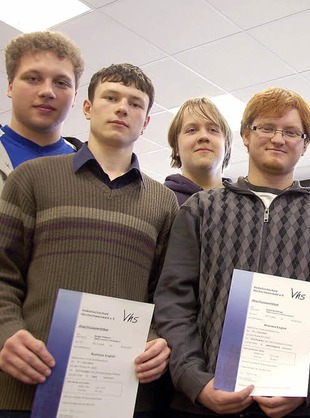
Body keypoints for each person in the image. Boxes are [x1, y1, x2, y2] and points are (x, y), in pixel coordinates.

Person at [154, 87, 310, 417]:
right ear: (245, 135)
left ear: (305, 144)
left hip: (303, 408)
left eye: (291, 132)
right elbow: (174, 301)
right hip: (203, 405)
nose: (278, 139)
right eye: (266, 127)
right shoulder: (201, 209)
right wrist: (196, 382)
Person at [0, 63, 179, 417]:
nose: (122, 108)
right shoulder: (31, 178)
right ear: (87, 107)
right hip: (27, 391)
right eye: (111, 97)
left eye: (135, 103)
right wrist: (6, 331)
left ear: (145, 122)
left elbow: (166, 293)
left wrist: (159, 338)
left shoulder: (163, 202)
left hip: (124, 394)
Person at [1, 30, 85, 193]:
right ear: (10, 87)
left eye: (61, 83)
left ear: (74, 97)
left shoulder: (93, 171)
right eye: (33, 78)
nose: (47, 91)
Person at [164, 97, 233, 204]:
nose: (204, 136)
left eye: (213, 130)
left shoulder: (247, 207)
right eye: (192, 130)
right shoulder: (158, 202)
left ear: (226, 145)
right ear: (176, 146)